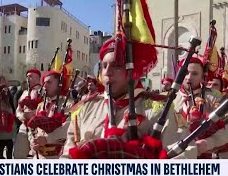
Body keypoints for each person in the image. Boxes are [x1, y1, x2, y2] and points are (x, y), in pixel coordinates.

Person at [60, 36, 197, 159]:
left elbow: (182, 157)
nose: (107, 72)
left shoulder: (159, 109)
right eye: (104, 66)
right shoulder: (87, 107)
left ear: (134, 71)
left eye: (117, 66)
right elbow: (67, 155)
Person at [28, 71, 73, 159]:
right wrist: (32, 140)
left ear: (59, 84)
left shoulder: (69, 105)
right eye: (44, 83)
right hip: (39, 156)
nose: (44, 86)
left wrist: (47, 138)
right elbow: (33, 128)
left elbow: (68, 127)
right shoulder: (41, 106)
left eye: (49, 82)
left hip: (58, 156)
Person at [13, 69, 41, 158]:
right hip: (24, 126)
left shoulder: (43, 92)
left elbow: (45, 108)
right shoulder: (24, 93)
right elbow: (18, 109)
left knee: (37, 154)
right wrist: (22, 116)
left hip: (37, 127)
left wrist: (33, 114)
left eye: (31, 76)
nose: (28, 78)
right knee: (18, 154)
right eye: (27, 76)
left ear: (38, 78)